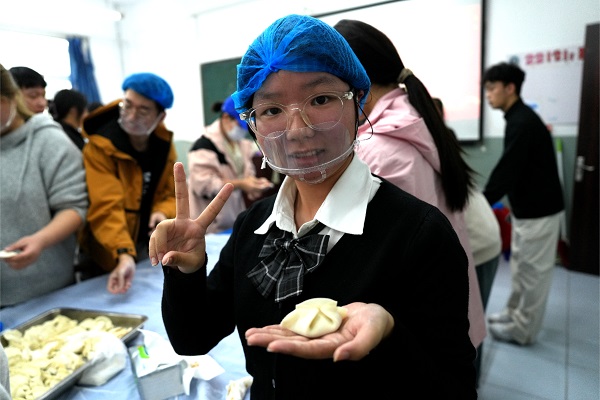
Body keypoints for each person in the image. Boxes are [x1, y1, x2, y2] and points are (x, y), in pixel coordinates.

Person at [150, 14, 477, 399]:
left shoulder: (419, 235)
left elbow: (455, 387)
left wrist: (388, 335)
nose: (298, 130)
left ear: (358, 102)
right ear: (252, 125)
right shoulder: (254, 226)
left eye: (320, 100)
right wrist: (186, 272)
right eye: (271, 110)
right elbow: (192, 338)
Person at [333, 19, 486, 349]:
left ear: (355, 79)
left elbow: (375, 257)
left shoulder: (378, 147)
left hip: (417, 320)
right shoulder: (414, 119)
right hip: (447, 301)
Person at [482, 61, 564, 345]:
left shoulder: (523, 122)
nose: (488, 95)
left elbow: (508, 170)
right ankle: (513, 312)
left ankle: (523, 329)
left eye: (492, 88)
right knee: (520, 266)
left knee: (533, 273)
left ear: (510, 88)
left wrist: (482, 203)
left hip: (539, 211)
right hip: (526, 209)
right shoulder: (517, 118)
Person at [78, 72, 177, 294]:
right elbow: (106, 206)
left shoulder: (163, 145)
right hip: (107, 250)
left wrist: (162, 211)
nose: (132, 116)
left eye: (143, 111)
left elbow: (170, 194)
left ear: (160, 117)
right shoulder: (100, 146)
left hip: (145, 244)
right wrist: (122, 252)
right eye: (128, 105)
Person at [0, 63, 88, 307]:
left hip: (47, 293)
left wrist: (40, 240)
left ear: (11, 98)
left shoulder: (49, 140)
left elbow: (74, 208)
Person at [433, 96, 502, 383]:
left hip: (480, 242)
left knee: (470, 326)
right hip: (479, 235)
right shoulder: (437, 139)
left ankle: (471, 385)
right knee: (470, 321)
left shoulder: (426, 144)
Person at [187, 95, 273, 233]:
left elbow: (247, 173)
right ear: (226, 118)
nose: (243, 131)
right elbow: (203, 185)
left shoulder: (241, 145)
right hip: (210, 226)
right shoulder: (204, 146)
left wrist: (253, 185)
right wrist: (241, 184)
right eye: (240, 126)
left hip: (233, 221)